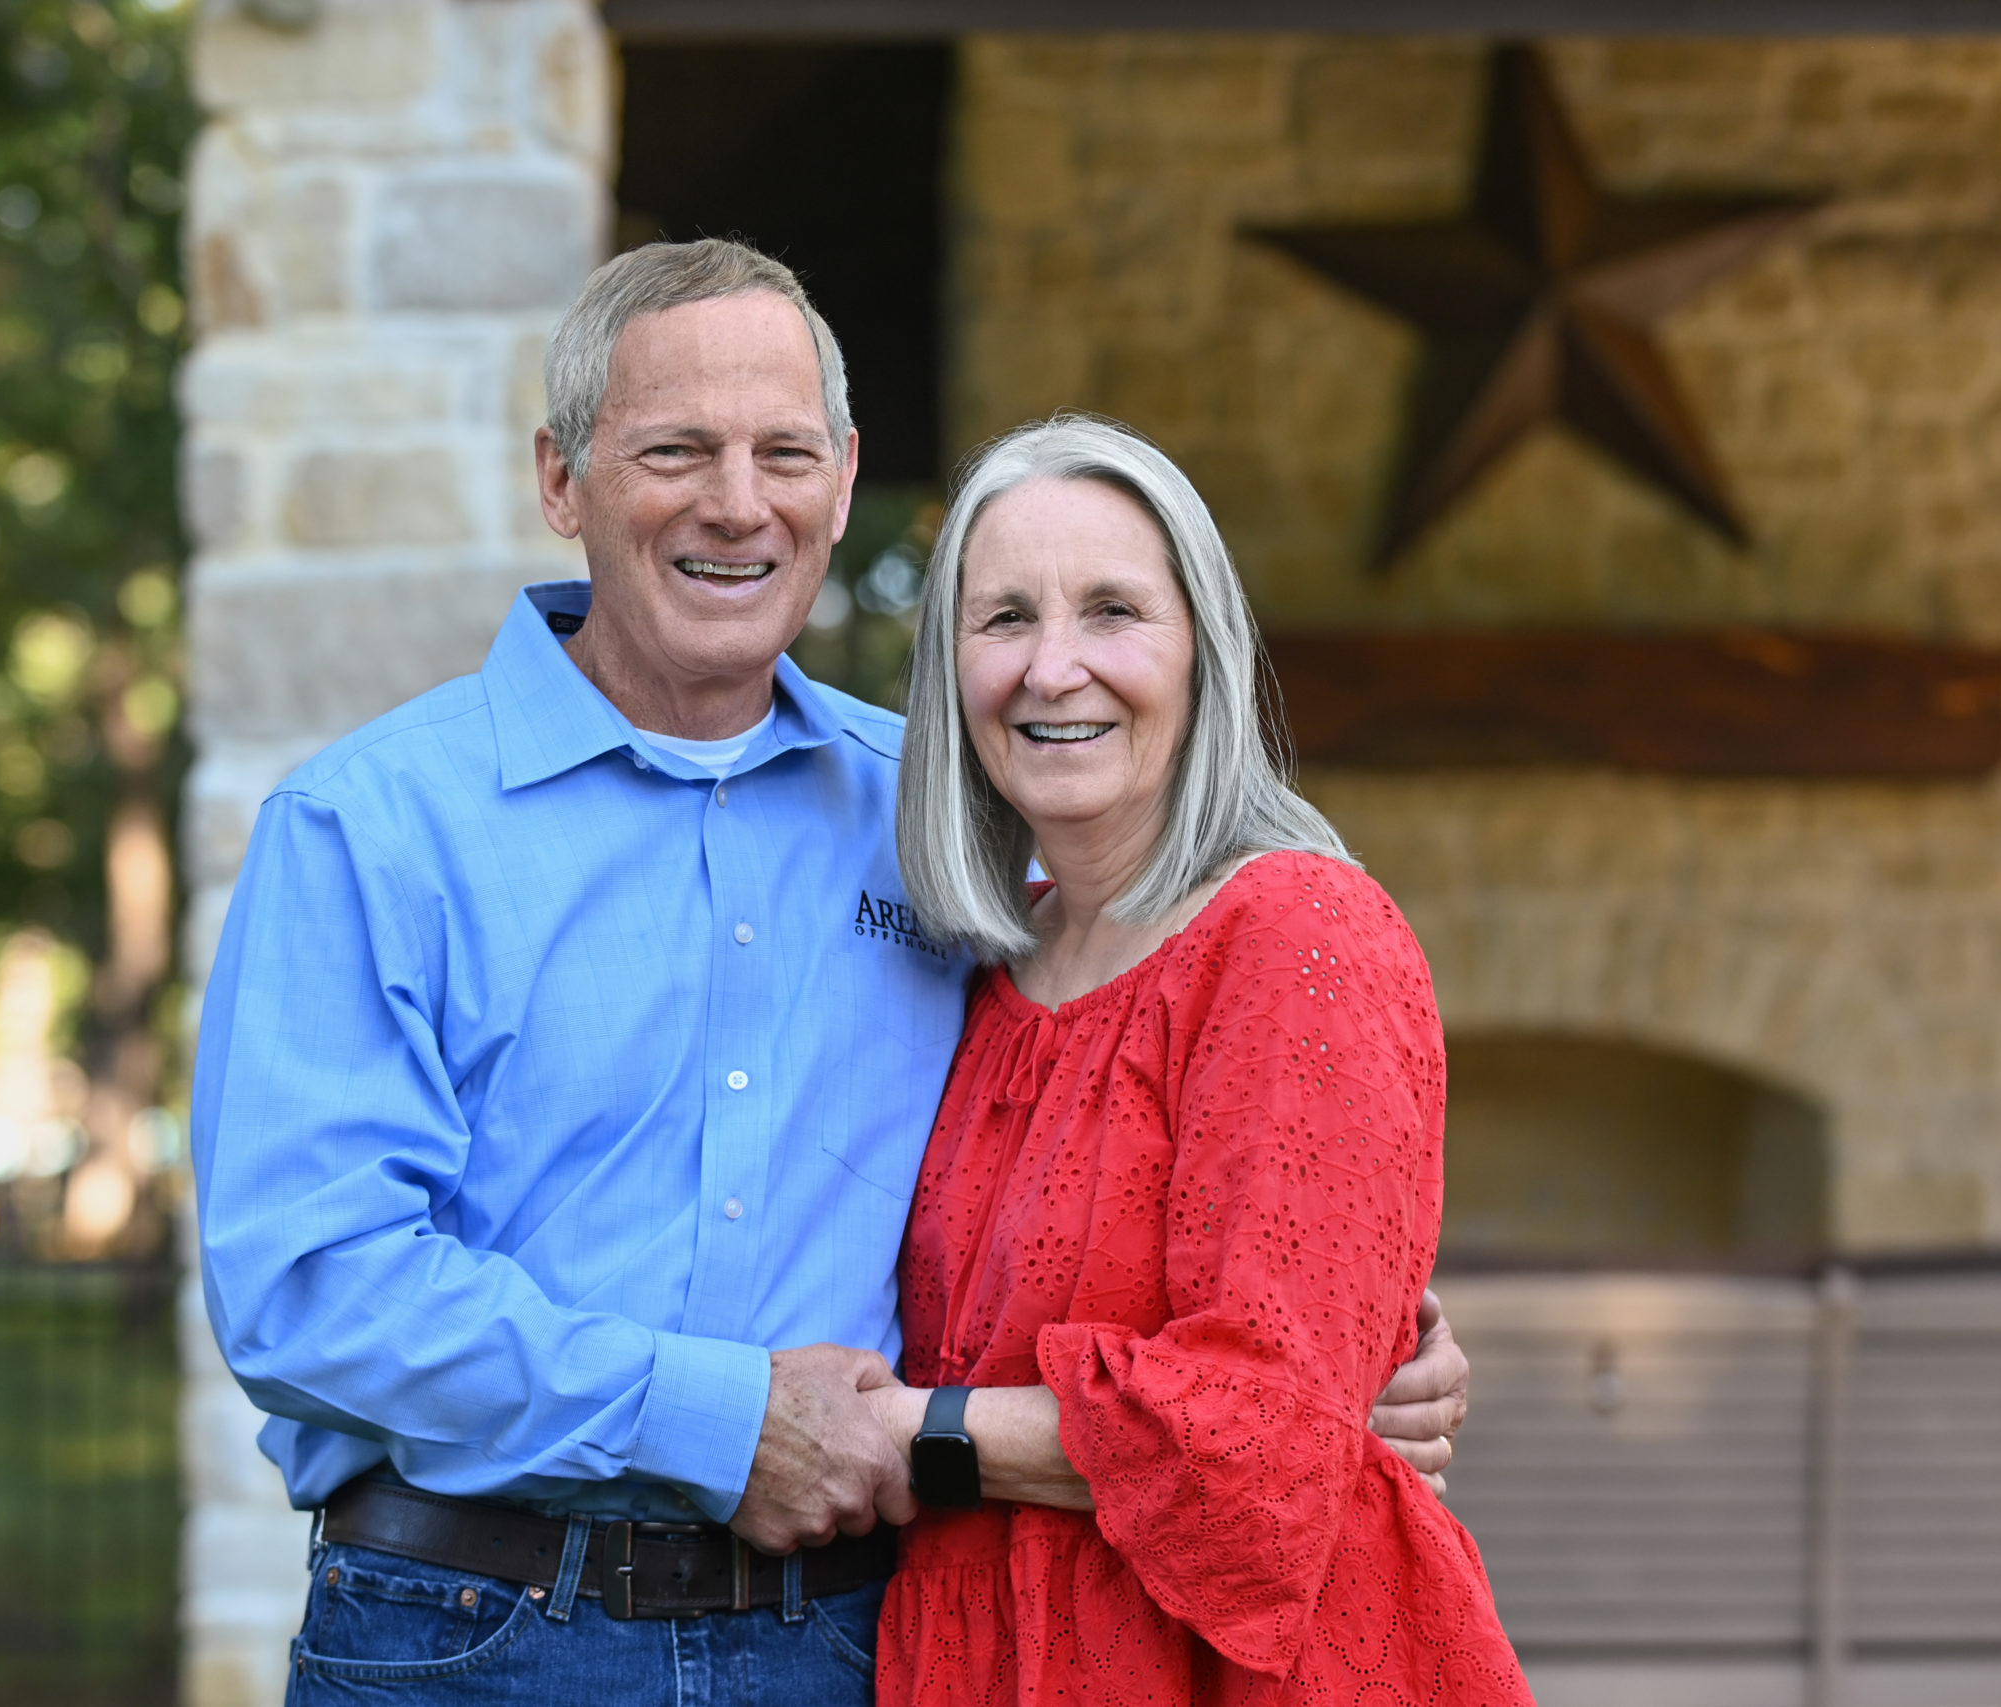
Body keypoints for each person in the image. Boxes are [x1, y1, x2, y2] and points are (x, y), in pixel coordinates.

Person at [190, 239, 1470, 1707]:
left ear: (844, 482)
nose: (738, 504)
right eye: (676, 450)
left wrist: (1358, 1335)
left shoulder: (948, 825)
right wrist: (720, 1421)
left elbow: (1153, 1088)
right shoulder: (369, 830)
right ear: (562, 482)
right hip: (468, 1630)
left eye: (783, 453)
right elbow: (312, 1289)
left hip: (851, 1645)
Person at [868, 417, 1531, 1705]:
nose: (1052, 669)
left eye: (1112, 611)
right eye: (1002, 619)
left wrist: (910, 1435)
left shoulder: (1297, 934)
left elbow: (1263, 1443)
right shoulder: (974, 983)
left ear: (1202, 653)